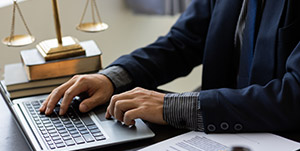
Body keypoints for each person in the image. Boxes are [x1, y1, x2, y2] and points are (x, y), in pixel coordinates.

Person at [40, 0, 300, 133]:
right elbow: (184, 41)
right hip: (220, 135)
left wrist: (172, 106)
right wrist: (112, 78)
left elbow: (294, 96)